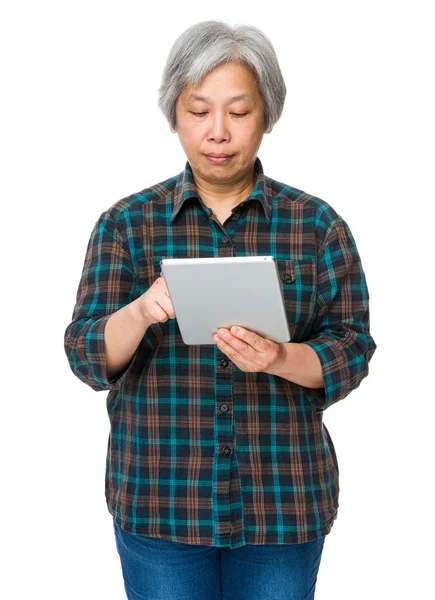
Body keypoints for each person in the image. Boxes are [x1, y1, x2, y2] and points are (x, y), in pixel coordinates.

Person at [64, 19, 377, 600]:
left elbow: (353, 349)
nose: (218, 132)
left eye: (239, 112)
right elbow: (86, 358)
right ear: (174, 114)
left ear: (267, 115)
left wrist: (281, 356)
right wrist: (141, 311)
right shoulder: (126, 225)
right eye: (198, 110)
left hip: (282, 507)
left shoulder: (316, 226)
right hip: (159, 506)